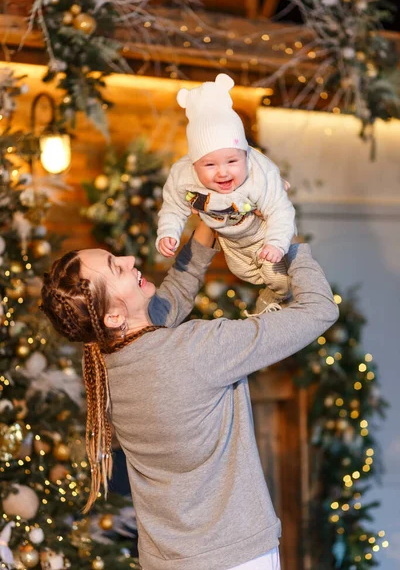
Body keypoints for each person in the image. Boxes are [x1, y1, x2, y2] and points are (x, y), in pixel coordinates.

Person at [40, 220, 339, 570]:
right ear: (112, 315)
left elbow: (173, 297)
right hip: (236, 558)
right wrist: (284, 234)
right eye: (116, 267)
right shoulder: (195, 350)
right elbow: (320, 309)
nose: (129, 258)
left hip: (166, 560)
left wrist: (207, 222)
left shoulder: (105, 362)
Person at [156, 73, 297, 314]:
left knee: (279, 276)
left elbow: (280, 209)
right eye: (209, 165)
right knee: (242, 271)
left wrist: (276, 242)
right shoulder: (183, 176)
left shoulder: (259, 172)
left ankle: (284, 300)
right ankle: (269, 290)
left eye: (231, 161)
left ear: (244, 154)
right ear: (194, 164)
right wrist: (168, 232)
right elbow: (173, 206)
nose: (222, 172)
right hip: (231, 239)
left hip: (263, 230)